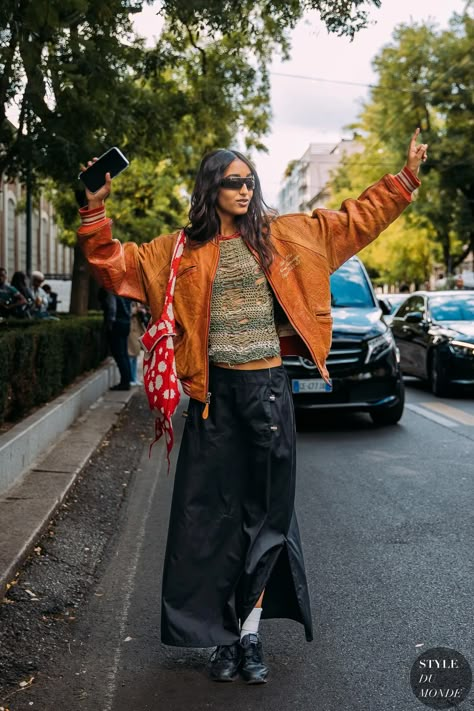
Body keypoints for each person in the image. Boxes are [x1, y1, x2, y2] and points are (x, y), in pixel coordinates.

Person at [77, 129, 428, 684]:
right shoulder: (175, 251)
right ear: (211, 188)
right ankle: (218, 637)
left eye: (250, 182)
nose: (245, 191)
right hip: (213, 399)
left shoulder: (286, 238)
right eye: (233, 182)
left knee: (265, 520)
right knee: (212, 520)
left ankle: (248, 632)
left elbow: (354, 220)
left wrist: (404, 179)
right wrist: (93, 211)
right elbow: (113, 266)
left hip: (268, 393)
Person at [98, 288, 133, 391]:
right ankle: (127, 380)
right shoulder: (126, 292)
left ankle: (124, 382)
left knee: (119, 354)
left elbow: (112, 308)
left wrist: (109, 324)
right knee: (124, 354)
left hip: (117, 324)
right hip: (126, 323)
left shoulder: (113, 292)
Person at [128, 301, 146, 385]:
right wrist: (136, 310)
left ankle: (134, 378)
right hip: (132, 330)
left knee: (135, 355)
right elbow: (128, 312)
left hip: (137, 329)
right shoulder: (129, 301)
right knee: (131, 355)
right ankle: (131, 378)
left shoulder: (136, 301)